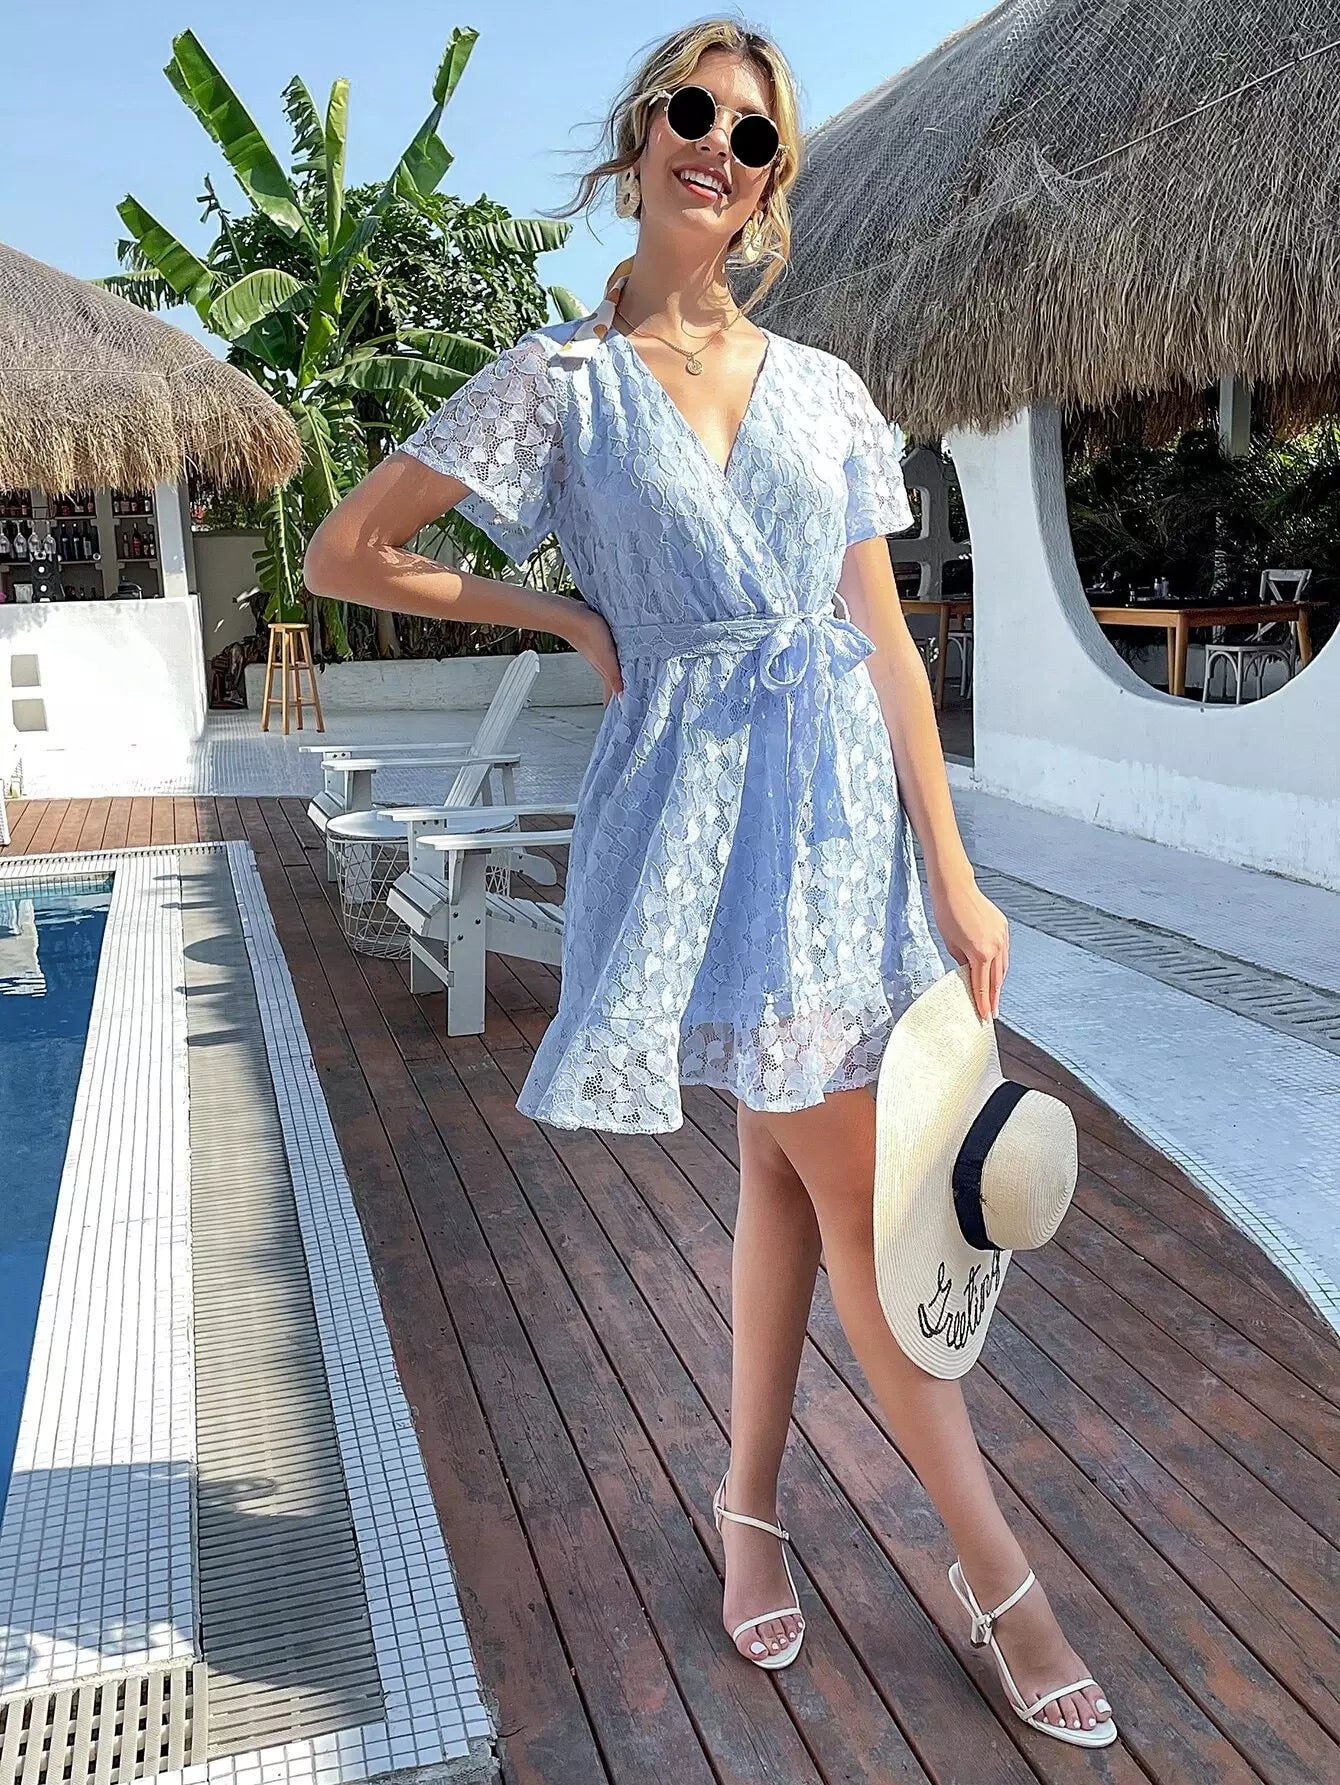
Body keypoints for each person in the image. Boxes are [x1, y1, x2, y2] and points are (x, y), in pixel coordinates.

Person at [304, 16, 1114, 1746]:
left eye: (754, 139)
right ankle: (999, 1579)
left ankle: (749, 1508)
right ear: (640, 137)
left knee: (796, 1177)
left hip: (841, 837)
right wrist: (560, 609)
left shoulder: (822, 387)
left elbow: (885, 647)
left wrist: (956, 871)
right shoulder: (561, 382)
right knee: (859, 1198)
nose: (718, 151)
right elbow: (348, 551)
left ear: (769, 187)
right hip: (695, 822)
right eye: (695, 113)